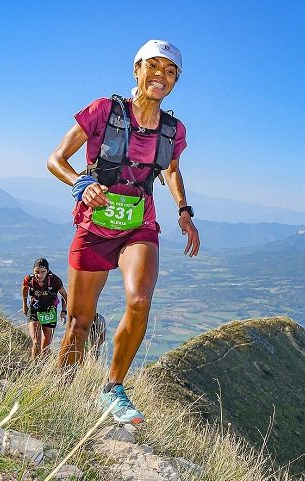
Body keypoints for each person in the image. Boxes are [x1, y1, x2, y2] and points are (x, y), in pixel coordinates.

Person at [47, 40, 199, 425]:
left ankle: (112, 390)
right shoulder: (103, 111)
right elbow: (55, 159)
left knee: (139, 299)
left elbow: (172, 169)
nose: (160, 76)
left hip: (138, 224)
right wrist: (82, 183)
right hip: (94, 226)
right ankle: (59, 397)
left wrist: (184, 210)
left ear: (176, 81)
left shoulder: (172, 130)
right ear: (137, 70)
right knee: (79, 324)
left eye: (170, 72)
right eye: (154, 67)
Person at [22, 258, 68, 359]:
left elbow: (64, 295)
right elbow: (25, 288)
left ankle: (44, 367)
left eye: (43, 272)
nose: (39, 275)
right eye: (37, 272)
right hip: (34, 310)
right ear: (33, 271)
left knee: (45, 348)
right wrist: (24, 305)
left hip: (49, 311)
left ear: (47, 271)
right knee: (36, 342)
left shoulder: (55, 280)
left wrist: (64, 311)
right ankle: (34, 366)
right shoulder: (29, 279)